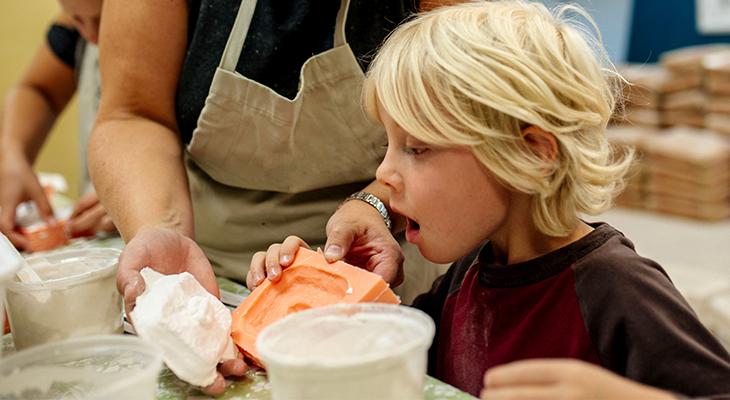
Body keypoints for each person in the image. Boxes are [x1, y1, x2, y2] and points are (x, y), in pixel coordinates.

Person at [249, 1, 730, 399]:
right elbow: (397, 359)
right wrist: (326, 298)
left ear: (530, 153)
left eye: (417, 148)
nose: (383, 174)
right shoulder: (470, 273)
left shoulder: (617, 289)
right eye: (388, 146)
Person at [94, 0, 459, 394]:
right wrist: (162, 238)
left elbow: (466, 134)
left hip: (381, 263)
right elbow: (132, 113)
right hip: (206, 273)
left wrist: (372, 202)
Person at [0, 0, 115, 250]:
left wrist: (140, 193)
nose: (91, 37)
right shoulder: (83, 18)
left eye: (101, 19)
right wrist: (11, 152)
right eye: (76, 19)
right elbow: (39, 90)